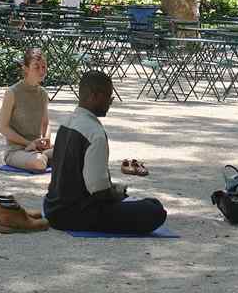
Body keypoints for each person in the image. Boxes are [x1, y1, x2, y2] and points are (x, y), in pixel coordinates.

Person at [44, 71, 167, 233]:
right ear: (95, 96)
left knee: (143, 203)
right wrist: (117, 195)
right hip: (75, 214)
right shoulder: (95, 132)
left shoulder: (66, 123)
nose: (110, 102)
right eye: (109, 96)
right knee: (154, 210)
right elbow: (97, 190)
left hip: (51, 207)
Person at [0, 48, 53, 172]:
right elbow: (3, 128)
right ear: (26, 68)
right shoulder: (12, 92)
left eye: (44, 67)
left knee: (71, 152)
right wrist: (28, 143)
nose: (41, 71)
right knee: (39, 162)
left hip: (38, 149)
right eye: (36, 67)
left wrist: (46, 139)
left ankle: (45, 157)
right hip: (16, 150)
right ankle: (45, 159)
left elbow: (46, 123)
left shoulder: (43, 94)